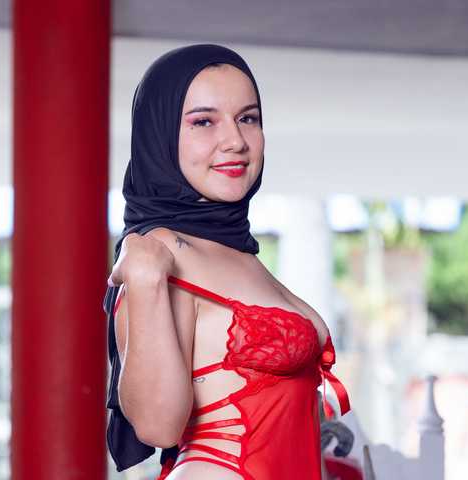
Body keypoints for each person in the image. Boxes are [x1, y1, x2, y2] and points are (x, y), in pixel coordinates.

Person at [103, 43, 350, 480]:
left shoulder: (236, 251)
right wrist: (144, 278)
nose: (235, 141)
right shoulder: (159, 252)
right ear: (161, 136)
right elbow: (158, 426)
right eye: (203, 121)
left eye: (248, 118)